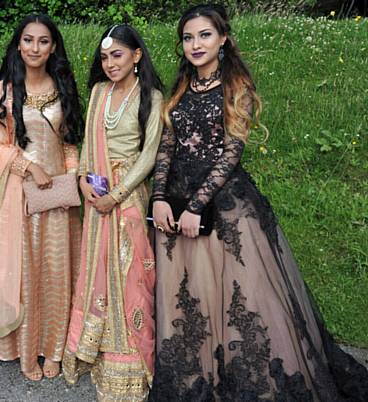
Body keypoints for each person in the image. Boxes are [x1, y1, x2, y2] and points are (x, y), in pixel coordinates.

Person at [148, 5, 368, 401]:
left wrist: (196, 206)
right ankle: (201, 378)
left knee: (242, 297)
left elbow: (231, 154)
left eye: (204, 35)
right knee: (192, 296)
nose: (195, 44)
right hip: (177, 203)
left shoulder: (237, 88)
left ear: (223, 40)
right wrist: (160, 199)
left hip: (226, 206)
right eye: (188, 37)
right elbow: (166, 149)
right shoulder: (178, 91)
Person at [63, 24, 164, 402]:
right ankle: (98, 350)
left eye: (117, 55)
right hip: (97, 196)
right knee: (99, 273)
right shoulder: (98, 92)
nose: (109, 64)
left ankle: (132, 363)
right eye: (104, 57)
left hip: (129, 198)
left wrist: (117, 194)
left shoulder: (151, 97)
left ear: (136, 56)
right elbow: (89, 142)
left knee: (131, 276)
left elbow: (149, 155)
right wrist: (84, 180)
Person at [0, 14, 83, 382]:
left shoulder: (63, 85)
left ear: (53, 46)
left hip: (58, 196)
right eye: (28, 40)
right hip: (20, 194)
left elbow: (70, 140)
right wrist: (31, 169)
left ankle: (55, 349)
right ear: (18, 44)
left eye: (43, 41)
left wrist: (69, 177)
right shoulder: (4, 91)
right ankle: (28, 349)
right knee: (26, 273)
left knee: (58, 273)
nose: (34, 48)